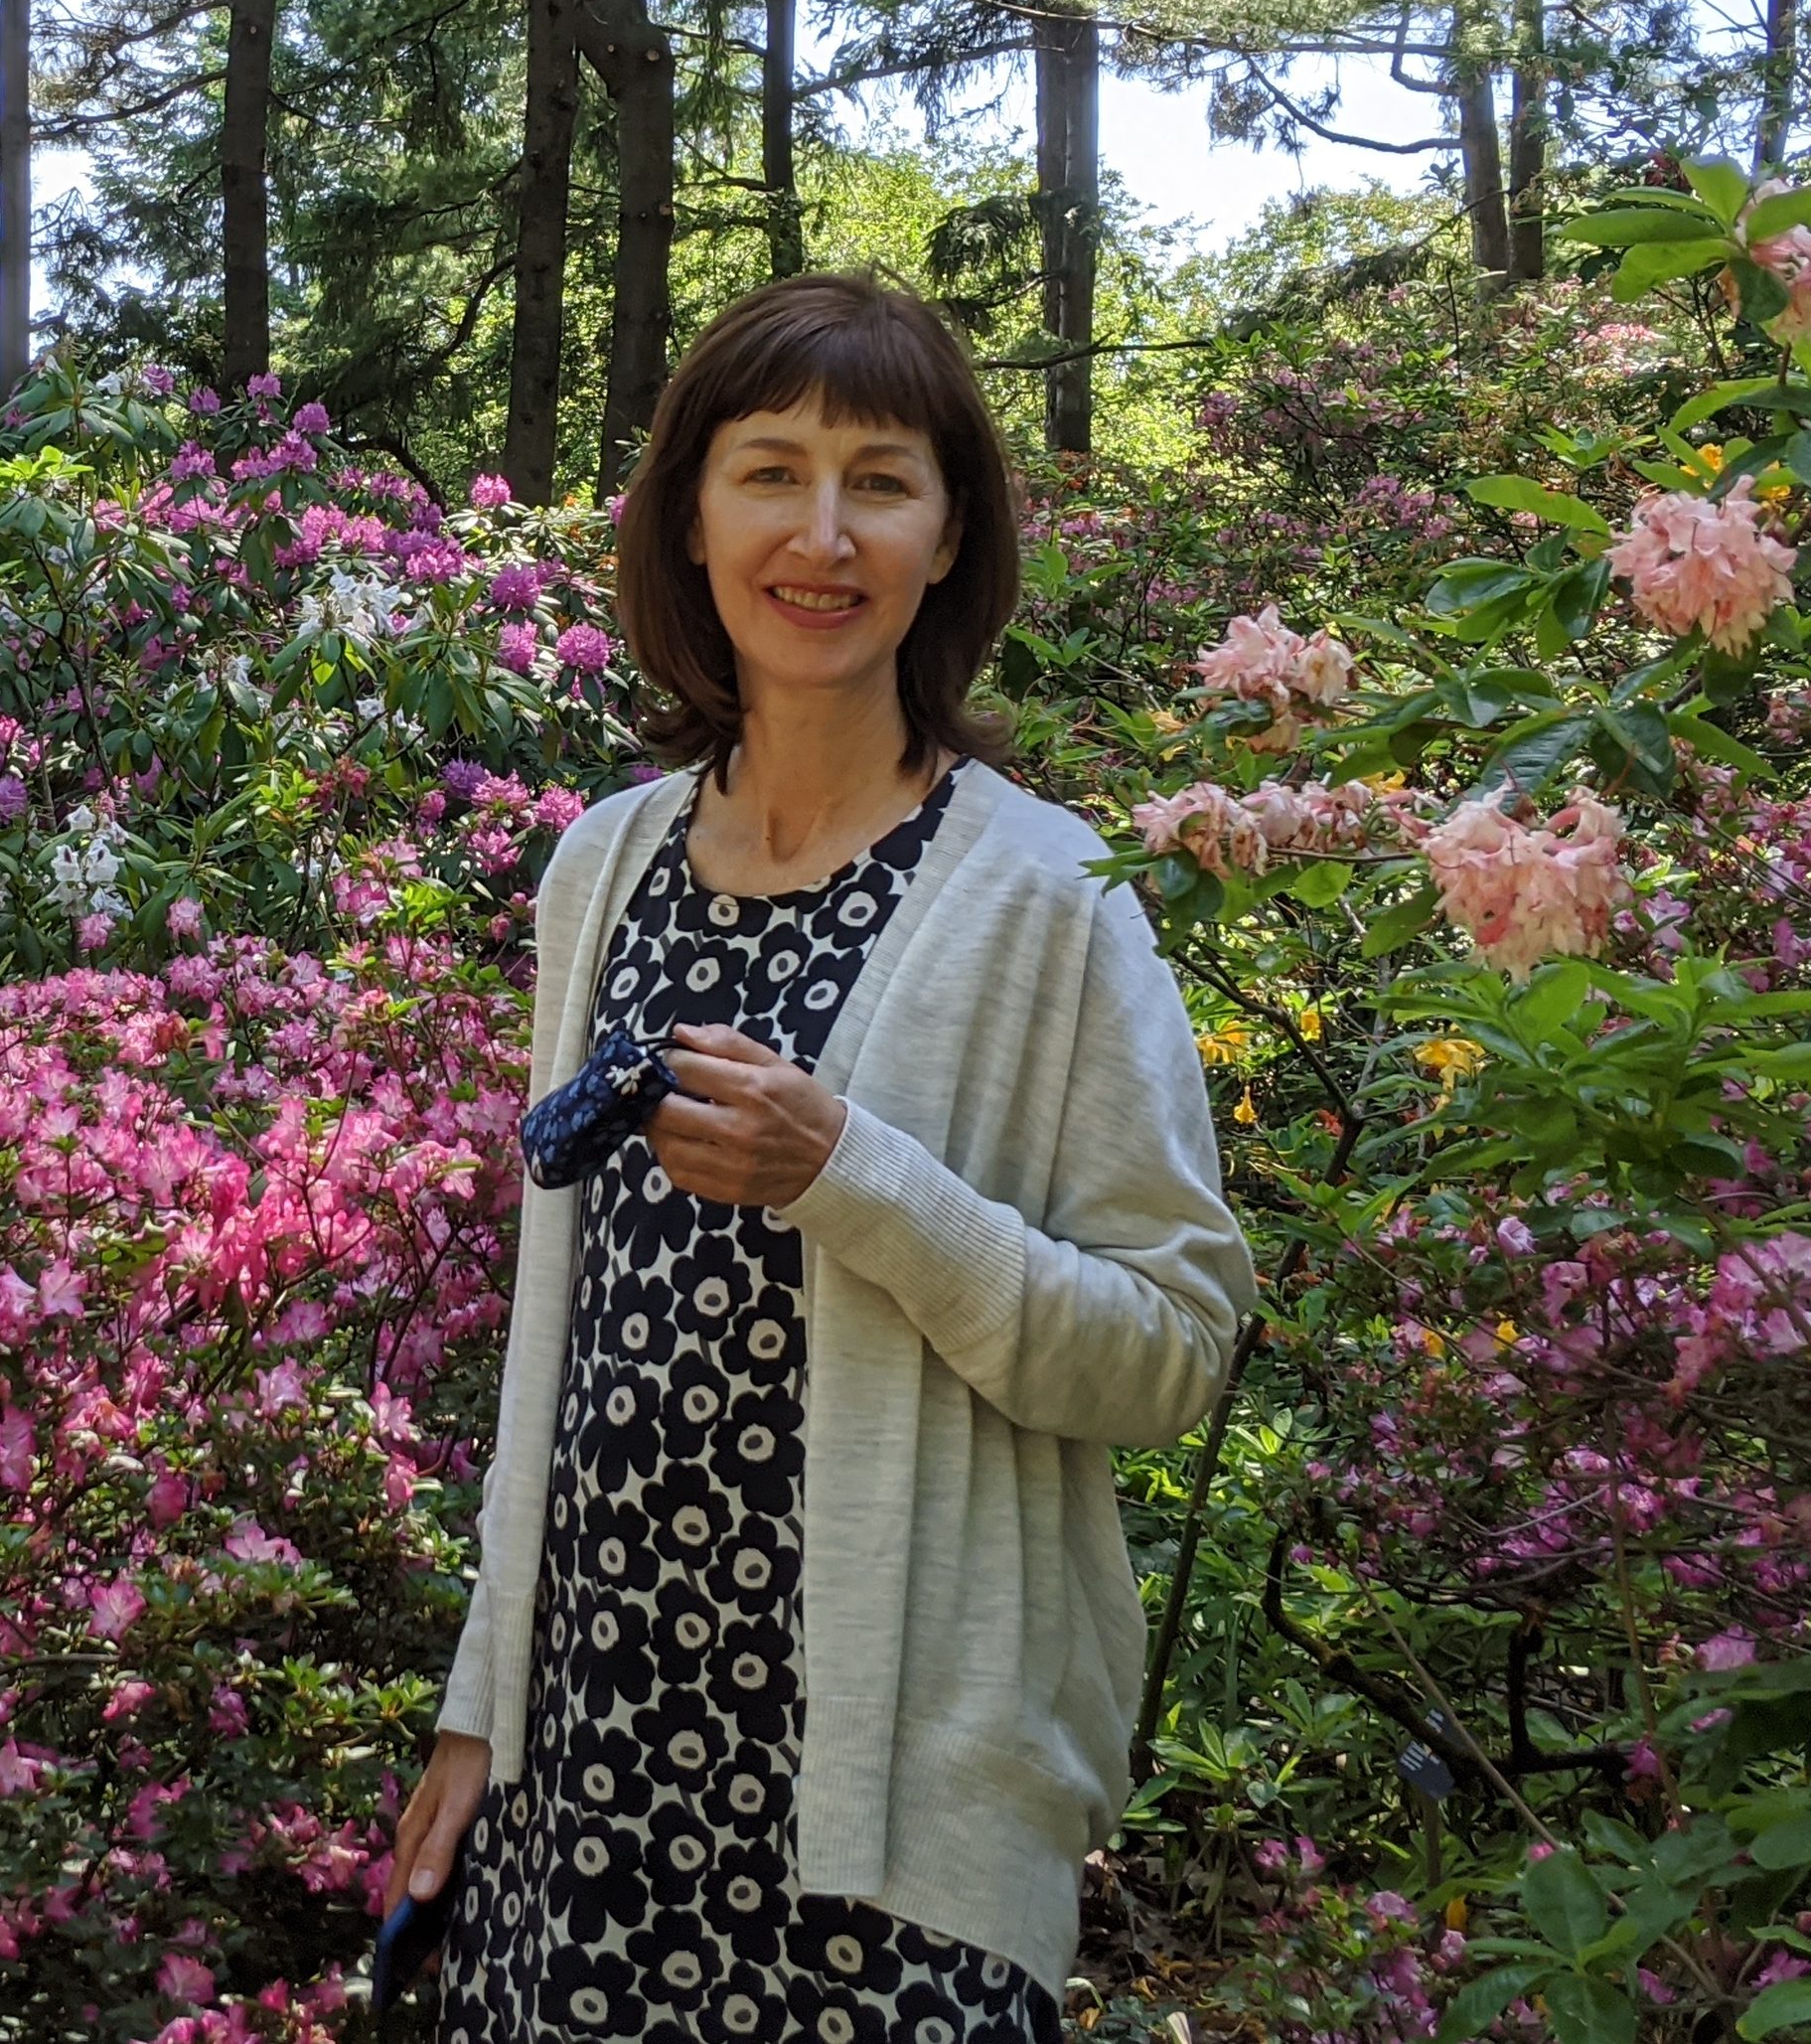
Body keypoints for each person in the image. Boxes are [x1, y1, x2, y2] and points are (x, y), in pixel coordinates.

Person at [384, 274, 1254, 2043]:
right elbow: (560, 1346)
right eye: (771, 470)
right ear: (692, 518)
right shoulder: (602, 868)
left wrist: (854, 1173)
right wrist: (488, 1694)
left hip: (885, 1830)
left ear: (951, 539)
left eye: (884, 479)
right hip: (586, 1781)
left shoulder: (1047, 900)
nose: (825, 532)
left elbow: (1171, 1348)